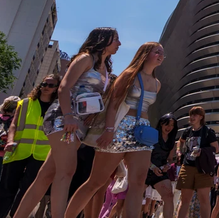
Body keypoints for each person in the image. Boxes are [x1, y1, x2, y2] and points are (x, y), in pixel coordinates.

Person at [13, 28, 120, 218]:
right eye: (116, 40)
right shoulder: (85, 58)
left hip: (81, 124)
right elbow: (64, 87)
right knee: (66, 171)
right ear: (103, 40)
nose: (119, 44)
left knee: (46, 175)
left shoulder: (105, 68)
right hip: (64, 117)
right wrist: (69, 115)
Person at [65, 42, 165, 218]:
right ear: (145, 54)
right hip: (120, 128)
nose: (161, 55)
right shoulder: (129, 75)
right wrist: (109, 130)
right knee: (96, 181)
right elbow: (113, 104)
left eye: (162, 53)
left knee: (138, 182)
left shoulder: (157, 84)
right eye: (157, 51)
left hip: (143, 133)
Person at [0, 75, 59, 218]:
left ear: (56, 89)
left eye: (51, 85)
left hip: (41, 154)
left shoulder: (58, 108)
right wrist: (10, 141)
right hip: (18, 150)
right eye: (44, 83)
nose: (46, 87)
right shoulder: (25, 103)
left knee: (27, 191)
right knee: (6, 190)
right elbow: (13, 125)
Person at [176, 106, 219, 218]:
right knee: (185, 199)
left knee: (204, 199)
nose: (192, 117)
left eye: (195, 115)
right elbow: (180, 142)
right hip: (187, 166)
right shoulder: (187, 131)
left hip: (203, 168)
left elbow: (216, 148)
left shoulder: (208, 131)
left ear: (201, 117)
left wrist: (202, 151)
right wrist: (179, 151)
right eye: (191, 115)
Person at [147, 114, 180, 218]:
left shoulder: (171, 141)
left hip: (160, 171)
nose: (169, 127)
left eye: (172, 125)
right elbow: (144, 154)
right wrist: (152, 166)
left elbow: (170, 159)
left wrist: (167, 165)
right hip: (146, 167)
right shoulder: (153, 135)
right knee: (138, 197)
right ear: (161, 123)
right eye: (167, 124)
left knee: (169, 196)